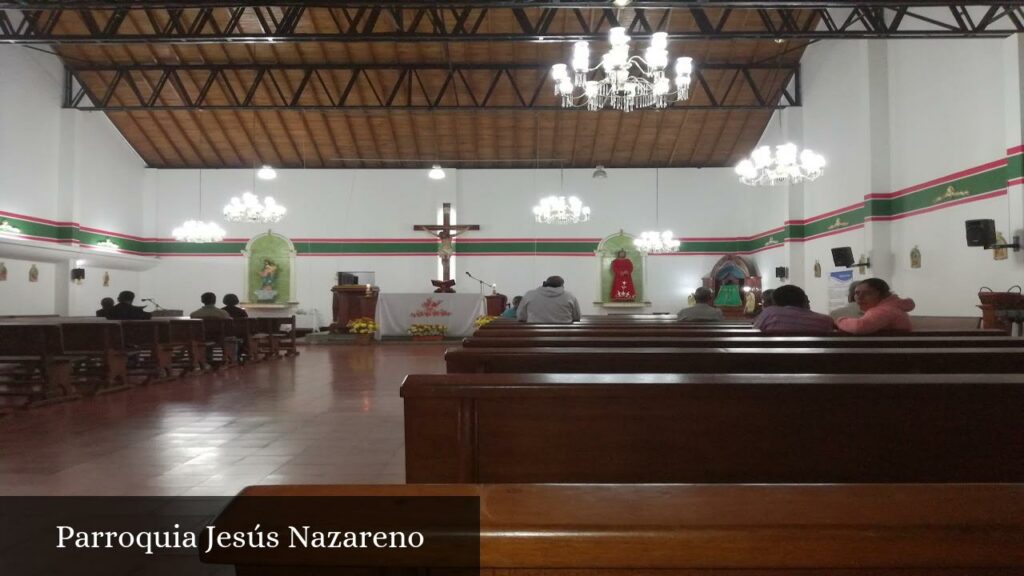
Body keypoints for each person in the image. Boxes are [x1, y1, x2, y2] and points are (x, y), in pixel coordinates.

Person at [835, 278, 914, 334]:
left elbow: (859, 327)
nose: (860, 297)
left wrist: (839, 321)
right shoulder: (891, 306)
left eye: (867, 293)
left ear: (882, 295)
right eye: (857, 293)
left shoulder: (885, 311)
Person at [753, 284, 834, 334]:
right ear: (804, 299)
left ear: (776, 302)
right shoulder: (826, 320)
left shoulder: (769, 313)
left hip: (774, 358)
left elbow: (755, 332)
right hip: (815, 360)